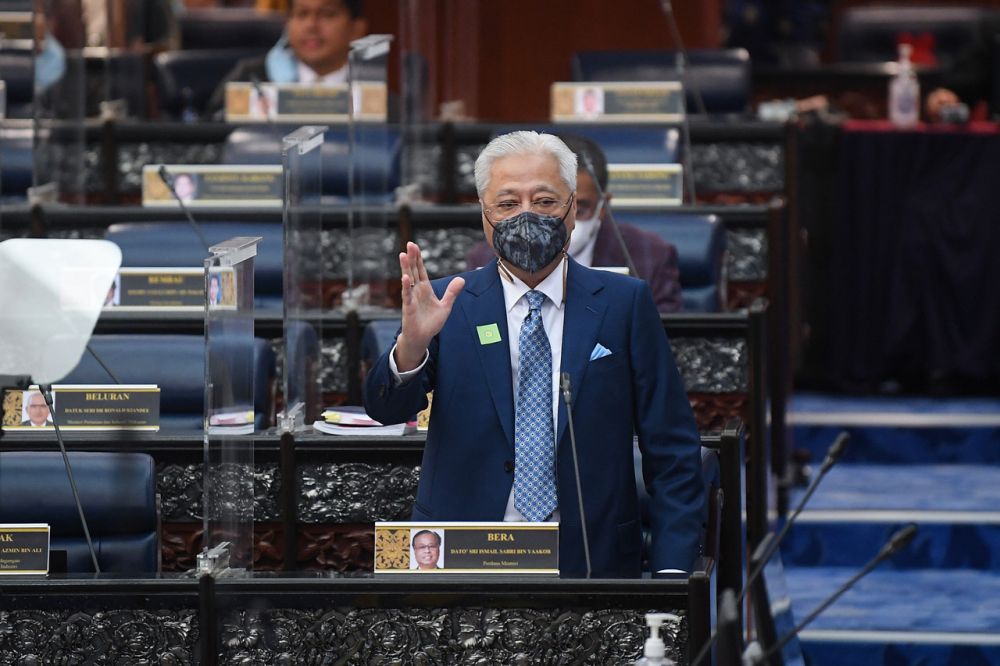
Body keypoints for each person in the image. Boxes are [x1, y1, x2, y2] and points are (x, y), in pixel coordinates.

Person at [364, 131, 705, 578]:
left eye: (544, 201)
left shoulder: (624, 303)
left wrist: (673, 577)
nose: (526, 215)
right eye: (507, 203)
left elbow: (673, 449)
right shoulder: (451, 302)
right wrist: (412, 346)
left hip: (589, 561)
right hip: (462, 559)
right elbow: (385, 410)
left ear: (573, 209)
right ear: (483, 213)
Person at [466, 134, 683, 313]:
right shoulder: (484, 257)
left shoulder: (650, 256)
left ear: (602, 206)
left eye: (547, 202)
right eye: (509, 203)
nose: (531, 217)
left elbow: (665, 342)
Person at [206, 0, 368, 116]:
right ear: (286, 25)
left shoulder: (372, 91)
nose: (312, 25)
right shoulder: (249, 79)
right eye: (302, 14)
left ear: (357, 29)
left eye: (327, 14)